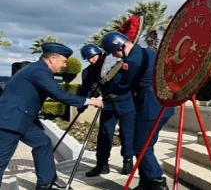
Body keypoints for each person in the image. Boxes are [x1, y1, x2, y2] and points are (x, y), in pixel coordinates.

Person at [0, 43, 104, 190]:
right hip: (10, 120)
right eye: (63, 61)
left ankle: (46, 183)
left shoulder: (37, 69)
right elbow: (59, 94)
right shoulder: (39, 71)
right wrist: (90, 101)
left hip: (24, 118)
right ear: (52, 59)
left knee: (43, 143)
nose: (64, 65)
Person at [101, 31, 174, 190]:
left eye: (114, 51)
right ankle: (145, 182)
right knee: (144, 145)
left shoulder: (133, 60)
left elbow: (123, 86)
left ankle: (157, 182)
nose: (115, 55)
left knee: (140, 147)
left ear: (121, 45)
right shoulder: (148, 52)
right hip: (161, 104)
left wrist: (107, 85)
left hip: (149, 107)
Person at [76, 44, 135, 177]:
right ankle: (102, 165)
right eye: (88, 59)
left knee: (127, 133)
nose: (91, 60)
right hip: (107, 103)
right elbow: (85, 89)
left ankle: (128, 161)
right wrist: (81, 104)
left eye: (92, 57)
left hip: (126, 101)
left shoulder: (117, 63)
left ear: (100, 53)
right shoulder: (88, 72)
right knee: (104, 134)